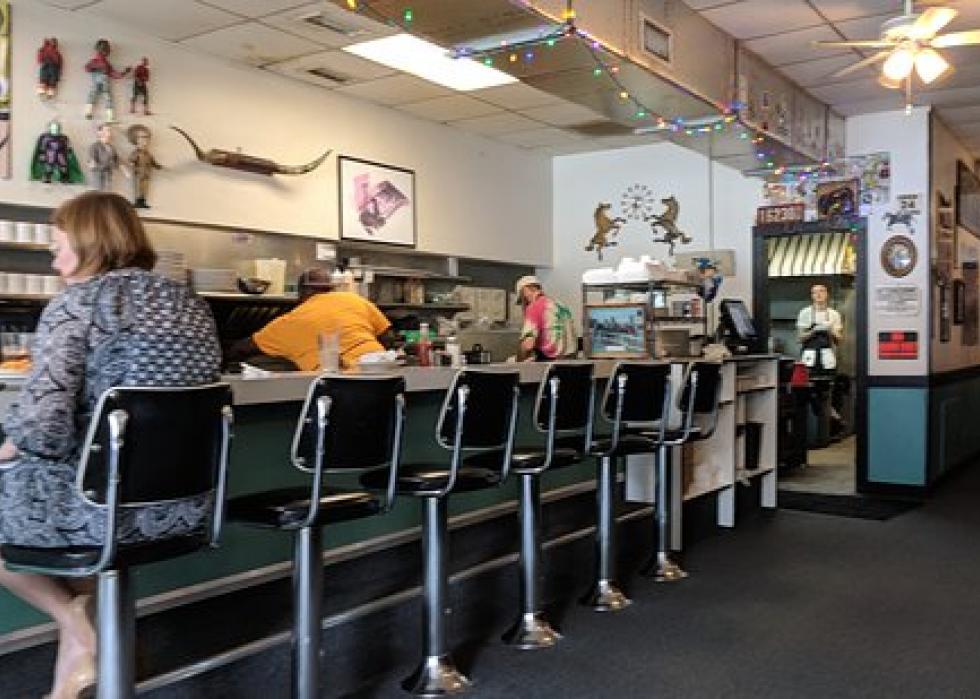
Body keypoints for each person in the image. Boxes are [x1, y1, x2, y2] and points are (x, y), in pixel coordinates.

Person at [0, 191, 222, 699]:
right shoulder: (191, 305)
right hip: (182, 506)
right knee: (80, 514)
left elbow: (44, 430)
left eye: (58, 248)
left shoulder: (75, 304)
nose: (54, 262)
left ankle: (75, 620)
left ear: (88, 243)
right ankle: (87, 662)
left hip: (102, 507)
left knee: (58, 499)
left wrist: (6, 449)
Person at [227, 268, 393, 371]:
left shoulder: (289, 322)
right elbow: (388, 337)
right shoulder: (354, 299)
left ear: (302, 293)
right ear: (331, 288)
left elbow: (242, 348)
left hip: (338, 387)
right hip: (383, 376)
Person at [797, 283, 845, 438]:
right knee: (808, 390)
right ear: (811, 296)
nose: (818, 295)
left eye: (821, 291)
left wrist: (830, 330)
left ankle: (829, 423)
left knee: (826, 391)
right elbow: (800, 338)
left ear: (827, 294)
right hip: (809, 359)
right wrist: (813, 331)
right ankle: (828, 419)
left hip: (827, 359)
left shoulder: (834, 315)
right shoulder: (805, 313)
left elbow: (839, 339)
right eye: (815, 292)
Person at [515, 275, 577, 361]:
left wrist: (518, 362)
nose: (524, 303)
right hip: (571, 361)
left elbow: (528, 344)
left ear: (525, 290)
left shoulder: (534, 307)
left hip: (551, 363)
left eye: (522, 299)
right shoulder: (560, 305)